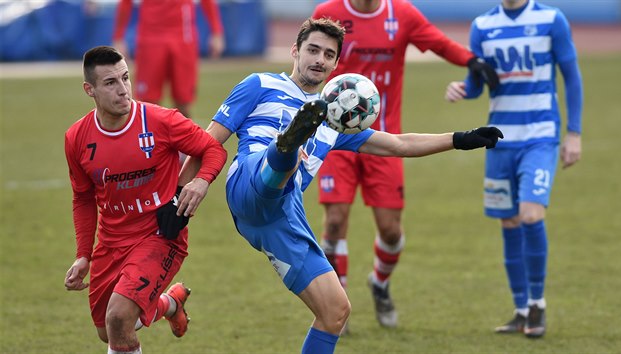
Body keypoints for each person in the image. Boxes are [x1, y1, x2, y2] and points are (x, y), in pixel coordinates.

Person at [176, 18, 502, 353]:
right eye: (313, 50)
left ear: (335, 64)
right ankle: (285, 147)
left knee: (335, 311)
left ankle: (289, 148)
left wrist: (461, 139)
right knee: (283, 159)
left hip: (281, 217)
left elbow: (399, 144)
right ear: (295, 51)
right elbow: (206, 143)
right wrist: (179, 201)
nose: (319, 58)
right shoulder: (259, 84)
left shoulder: (336, 120)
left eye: (328, 54)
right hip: (248, 181)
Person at [311, 0, 500, 331]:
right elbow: (307, 57)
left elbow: (438, 43)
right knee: (336, 221)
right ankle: (337, 303)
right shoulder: (329, 12)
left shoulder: (402, 14)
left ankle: (380, 283)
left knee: (391, 230)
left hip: (385, 142)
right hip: (335, 138)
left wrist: (472, 61)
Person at [63, 46, 227, 354]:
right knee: (107, 331)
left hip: (160, 236)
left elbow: (214, 149)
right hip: (111, 243)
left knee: (118, 318)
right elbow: (83, 197)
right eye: (111, 83)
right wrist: (83, 255)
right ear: (90, 89)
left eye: (125, 78)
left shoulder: (161, 121)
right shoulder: (77, 138)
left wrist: (201, 182)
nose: (124, 89)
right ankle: (169, 303)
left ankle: (158, 303)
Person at [444, 0, 583, 338]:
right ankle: (520, 310)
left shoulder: (552, 19)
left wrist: (574, 133)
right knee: (508, 221)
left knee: (531, 216)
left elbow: (571, 76)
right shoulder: (483, 26)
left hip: (540, 137)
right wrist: (463, 88)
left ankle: (537, 303)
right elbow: (479, 82)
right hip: (500, 140)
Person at [112, 0, 225, 118]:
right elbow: (126, 3)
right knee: (148, 103)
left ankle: (184, 135)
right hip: (151, 38)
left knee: (183, 101)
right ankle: (152, 136)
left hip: (183, 37)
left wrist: (217, 31)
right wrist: (118, 37)